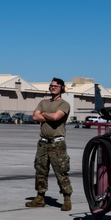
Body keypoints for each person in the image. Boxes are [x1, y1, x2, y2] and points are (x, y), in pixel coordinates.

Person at [26, 78, 73, 211]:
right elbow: (35, 117)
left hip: (57, 144)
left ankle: (67, 199)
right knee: (40, 171)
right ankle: (40, 198)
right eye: (51, 86)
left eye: (56, 86)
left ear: (62, 88)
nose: (53, 88)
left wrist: (44, 114)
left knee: (61, 172)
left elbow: (56, 117)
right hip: (43, 143)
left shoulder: (64, 104)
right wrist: (47, 115)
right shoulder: (43, 102)